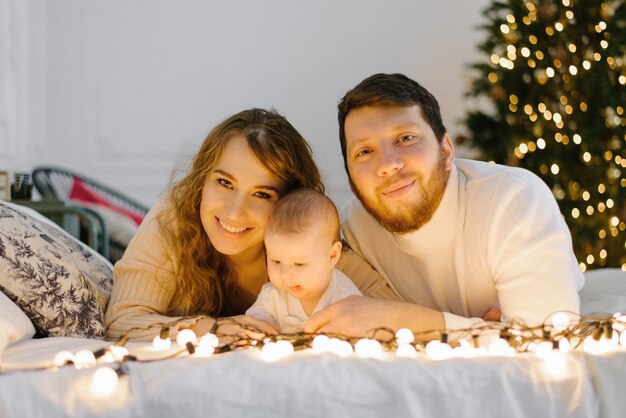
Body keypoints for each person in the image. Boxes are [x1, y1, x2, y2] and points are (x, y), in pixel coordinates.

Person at [305, 73, 584, 337]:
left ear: (446, 150)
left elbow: (548, 340)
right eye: (364, 152)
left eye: (405, 138)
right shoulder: (353, 230)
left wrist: (405, 322)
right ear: (352, 181)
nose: (389, 165)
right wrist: (484, 331)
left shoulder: (513, 199)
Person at [105, 108, 396, 342]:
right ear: (201, 182)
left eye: (261, 194)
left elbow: (397, 313)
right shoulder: (173, 221)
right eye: (224, 182)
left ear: (289, 201)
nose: (235, 211)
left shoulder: (310, 241)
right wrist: (210, 330)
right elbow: (122, 322)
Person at [246, 188, 362, 333]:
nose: (285, 274)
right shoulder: (272, 296)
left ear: (332, 256)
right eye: (276, 261)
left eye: (299, 264)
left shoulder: (347, 300)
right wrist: (262, 326)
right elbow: (253, 322)